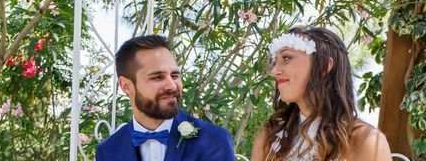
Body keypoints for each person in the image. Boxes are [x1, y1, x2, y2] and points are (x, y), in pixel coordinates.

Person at [251, 27, 392, 161]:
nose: (275, 70)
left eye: (286, 58)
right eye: (276, 61)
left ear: (324, 65)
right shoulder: (269, 139)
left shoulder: (367, 141)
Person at [96, 34, 235, 161]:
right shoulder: (108, 151)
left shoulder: (214, 140)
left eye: (174, 76)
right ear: (126, 86)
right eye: (157, 77)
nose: (172, 86)